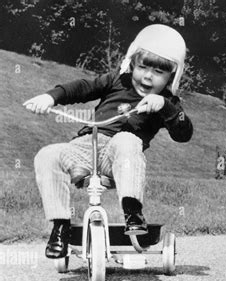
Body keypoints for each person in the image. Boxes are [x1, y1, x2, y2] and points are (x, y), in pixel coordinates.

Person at [23, 24, 193, 259]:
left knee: (126, 139)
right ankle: (60, 228)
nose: (147, 76)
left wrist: (166, 107)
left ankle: (133, 212)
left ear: (171, 76)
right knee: (48, 155)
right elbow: (83, 88)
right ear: (132, 63)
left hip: (121, 157)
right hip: (86, 146)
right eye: (142, 66)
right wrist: (50, 97)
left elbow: (183, 133)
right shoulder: (116, 81)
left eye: (158, 72)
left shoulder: (166, 100)